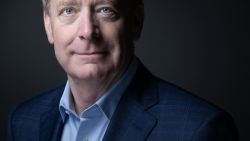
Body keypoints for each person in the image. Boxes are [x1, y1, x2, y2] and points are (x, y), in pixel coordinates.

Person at [6, 0, 239, 140]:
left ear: (136, 20)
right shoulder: (23, 122)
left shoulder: (199, 130)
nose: (87, 31)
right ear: (48, 25)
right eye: (69, 10)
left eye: (105, 9)